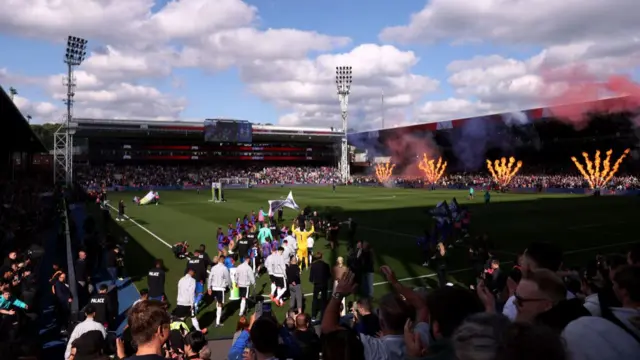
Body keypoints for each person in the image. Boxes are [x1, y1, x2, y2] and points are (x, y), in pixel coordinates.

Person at [208, 255, 231, 327]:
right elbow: (228, 278)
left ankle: (217, 319)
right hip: (220, 289)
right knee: (220, 304)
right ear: (223, 260)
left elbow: (210, 278)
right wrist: (230, 286)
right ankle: (218, 322)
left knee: (218, 303)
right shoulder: (224, 268)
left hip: (214, 288)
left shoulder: (213, 268)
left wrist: (209, 288)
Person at [309, 252, 331, 322]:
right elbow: (329, 275)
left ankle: (313, 316)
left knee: (315, 299)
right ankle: (323, 315)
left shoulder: (313, 265)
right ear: (321, 257)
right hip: (324, 284)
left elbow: (311, 278)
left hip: (317, 284)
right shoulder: (326, 265)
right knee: (324, 300)